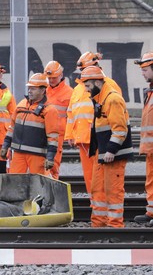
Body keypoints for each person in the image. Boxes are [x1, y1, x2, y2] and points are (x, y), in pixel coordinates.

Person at [82, 65, 132, 228]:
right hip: (102, 153)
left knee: (113, 191)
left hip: (112, 154)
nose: (87, 90)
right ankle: (99, 224)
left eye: (88, 86)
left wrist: (111, 150)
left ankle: (115, 226)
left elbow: (120, 128)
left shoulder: (112, 99)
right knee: (98, 190)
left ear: (97, 82)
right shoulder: (101, 99)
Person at [65, 52, 122, 193]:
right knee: (89, 176)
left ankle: (102, 206)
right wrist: (70, 134)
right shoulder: (78, 88)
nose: (84, 73)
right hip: (83, 139)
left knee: (101, 176)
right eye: (82, 70)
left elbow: (116, 111)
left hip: (99, 138)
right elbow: (71, 112)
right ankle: (95, 204)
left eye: (86, 69)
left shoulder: (109, 85)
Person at [0, 73, 60, 176]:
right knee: (15, 182)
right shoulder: (21, 105)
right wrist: (5, 145)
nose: (29, 91)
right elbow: (12, 128)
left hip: (37, 156)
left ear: (42, 90)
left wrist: (50, 157)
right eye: (29, 88)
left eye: (33, 88)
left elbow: (53, 136)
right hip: (18, 154)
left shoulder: (50, 110)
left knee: (36, 185)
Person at [43, 61, 73, 179]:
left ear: (61, 75)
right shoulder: (43, 89)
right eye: (49, 78)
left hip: (57, 133)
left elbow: (72, 115)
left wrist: (71, 134)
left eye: (54, 78)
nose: (51, 80)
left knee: (53, 163)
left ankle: (53, 185)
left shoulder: (70, 93)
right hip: (41, 131)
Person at [134, 52, 153, 225]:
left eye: (145, 69)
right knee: (151, 181)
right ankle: (151, 213)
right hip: (150, 149)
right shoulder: (150, 93)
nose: (142, 73)